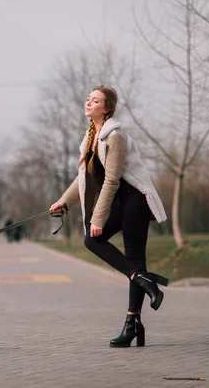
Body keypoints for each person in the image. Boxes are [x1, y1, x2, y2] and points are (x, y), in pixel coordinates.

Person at [49, 85, 169, 348]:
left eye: (95, 100)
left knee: (126, 254)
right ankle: (142, 280)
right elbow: (83, 177)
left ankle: (132, 324)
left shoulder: (115, 137)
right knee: (94, 242)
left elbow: (112, 180)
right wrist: (64, 202)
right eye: (88, 99)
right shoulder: (91, 136)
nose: (88, 102)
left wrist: (97, 219)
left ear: (107, 108)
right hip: (121, 201)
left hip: (136, 199)